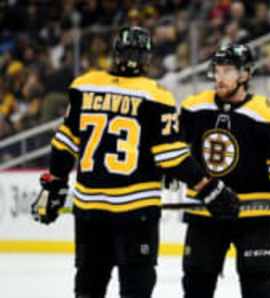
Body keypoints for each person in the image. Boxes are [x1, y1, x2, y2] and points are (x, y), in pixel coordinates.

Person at [31, 26, 239, 298]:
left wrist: (54, 185)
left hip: (89, 209)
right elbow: (172, 157)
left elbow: (64, 145)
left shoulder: (84, 85)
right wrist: (208, 187)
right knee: (135, 289)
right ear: (148, 58)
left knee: (88, 288)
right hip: (135, 211)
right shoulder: (155, 95)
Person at [179, 43, 270, 298]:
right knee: (196, 284)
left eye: (228, 71)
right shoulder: (194, 108)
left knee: (258, 285)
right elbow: (174, 153)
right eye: (217, 70)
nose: (220, 77)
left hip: (255, 213)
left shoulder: (266, 112)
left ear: (245, 74)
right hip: (207, 209)